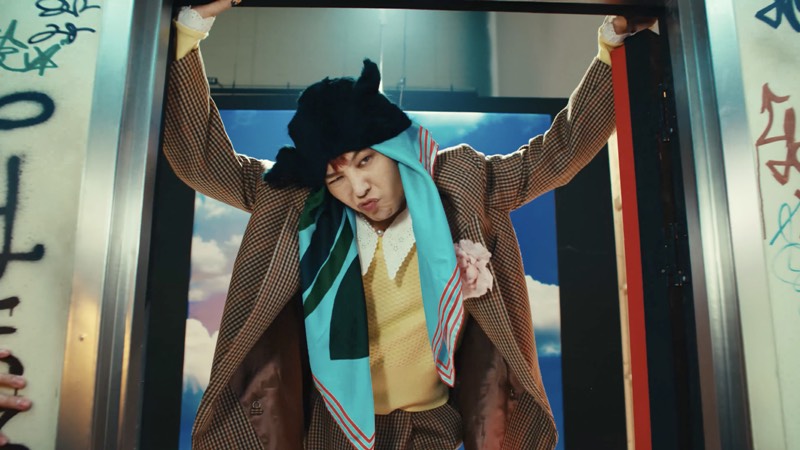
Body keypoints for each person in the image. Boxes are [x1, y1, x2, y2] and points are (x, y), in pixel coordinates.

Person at [0, 2, 652, 449]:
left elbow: (561, 151)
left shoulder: (462, 181)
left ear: (396, 151)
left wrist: (611, 46)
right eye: (337, 174)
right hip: (330, 427)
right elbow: (202, 157)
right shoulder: (298, 202)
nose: (356, 187)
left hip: (434, 424)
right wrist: (188, 32)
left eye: (366, 162)